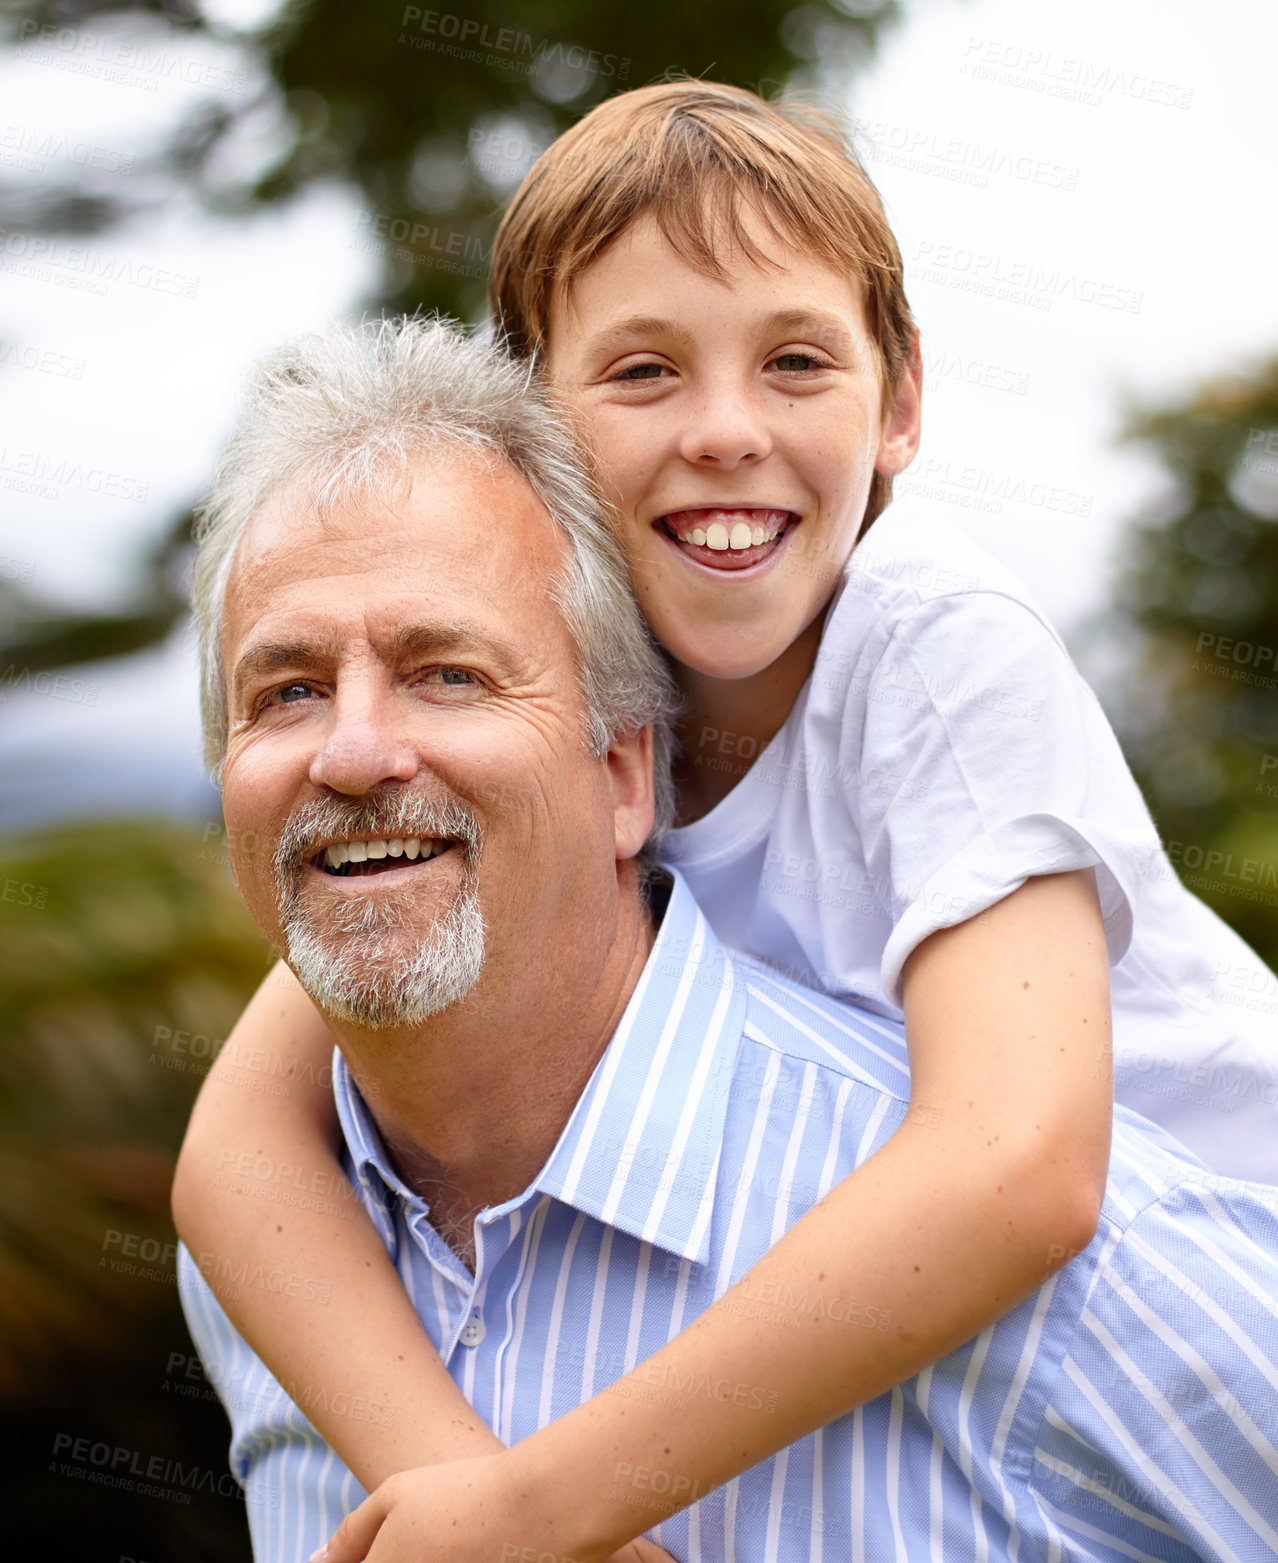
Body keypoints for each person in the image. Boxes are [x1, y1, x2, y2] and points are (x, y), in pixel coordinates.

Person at [173, 81, 1278, 1555]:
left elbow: (1017, 1171)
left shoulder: (934, 644)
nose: (725, 431)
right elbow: (236, 1161)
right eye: (640, 372)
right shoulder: (563, 694)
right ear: (534, 433)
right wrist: (464, 1491)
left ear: (899, 404)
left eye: (797, 362)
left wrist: (544, 1503)